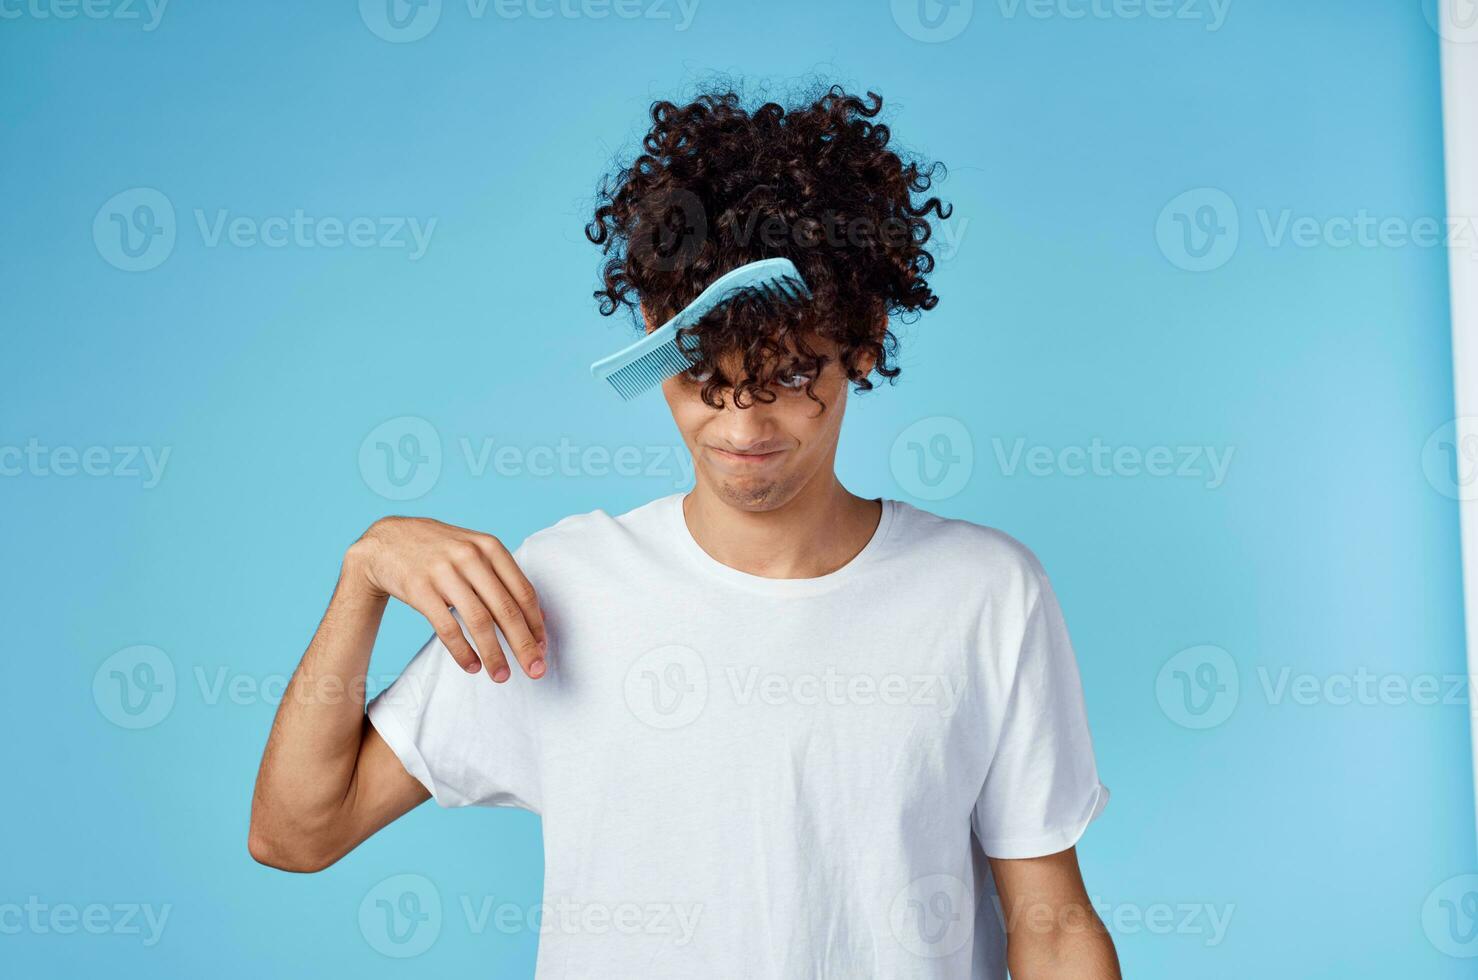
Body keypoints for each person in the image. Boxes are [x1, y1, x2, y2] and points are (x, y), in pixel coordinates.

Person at [249, 84, 1120, 979]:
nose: (742, 429)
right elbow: (296, 831)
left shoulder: (985, 593)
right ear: (654, 338)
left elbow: (1051, 927)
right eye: (705, 376)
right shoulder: (562, 587)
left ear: (863, 340)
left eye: (787, 376)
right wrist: (365, 574)